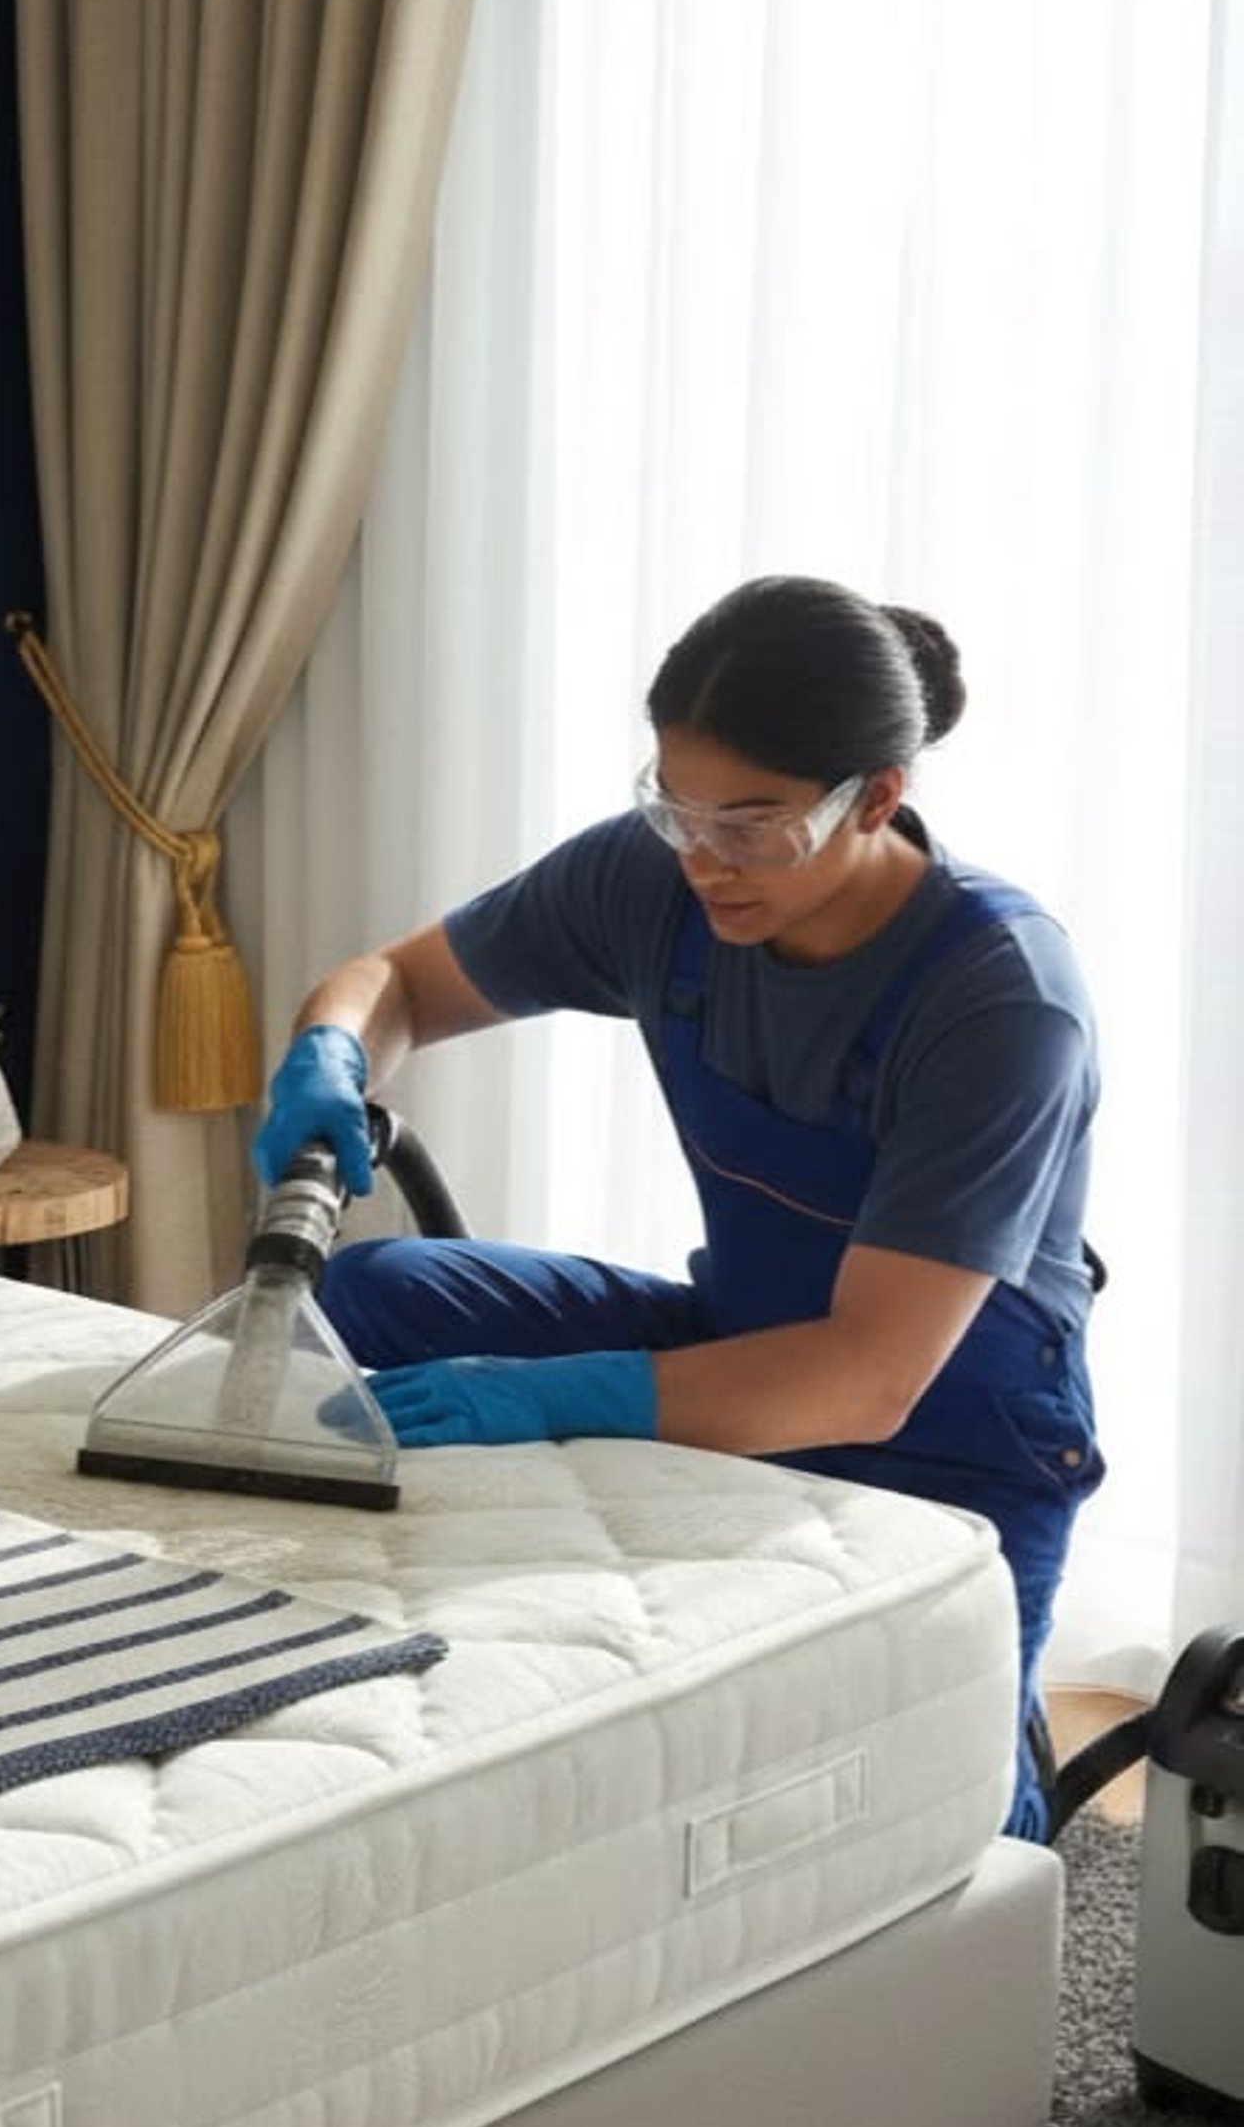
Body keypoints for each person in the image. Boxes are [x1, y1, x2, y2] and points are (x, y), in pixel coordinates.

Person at [252, 574, 1103, 1841]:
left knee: (946, 1812)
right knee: (375, 1293)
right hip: (741, 1338)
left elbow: (869, 1379)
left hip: (950, 1425)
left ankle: (1006, 1782)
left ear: (877, 795)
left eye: (751, 824)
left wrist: (546, 1395)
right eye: (676, 808)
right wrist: (331, 1048)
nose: (705, 859)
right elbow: (400, 984)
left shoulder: (998, 998)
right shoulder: (660, 882)